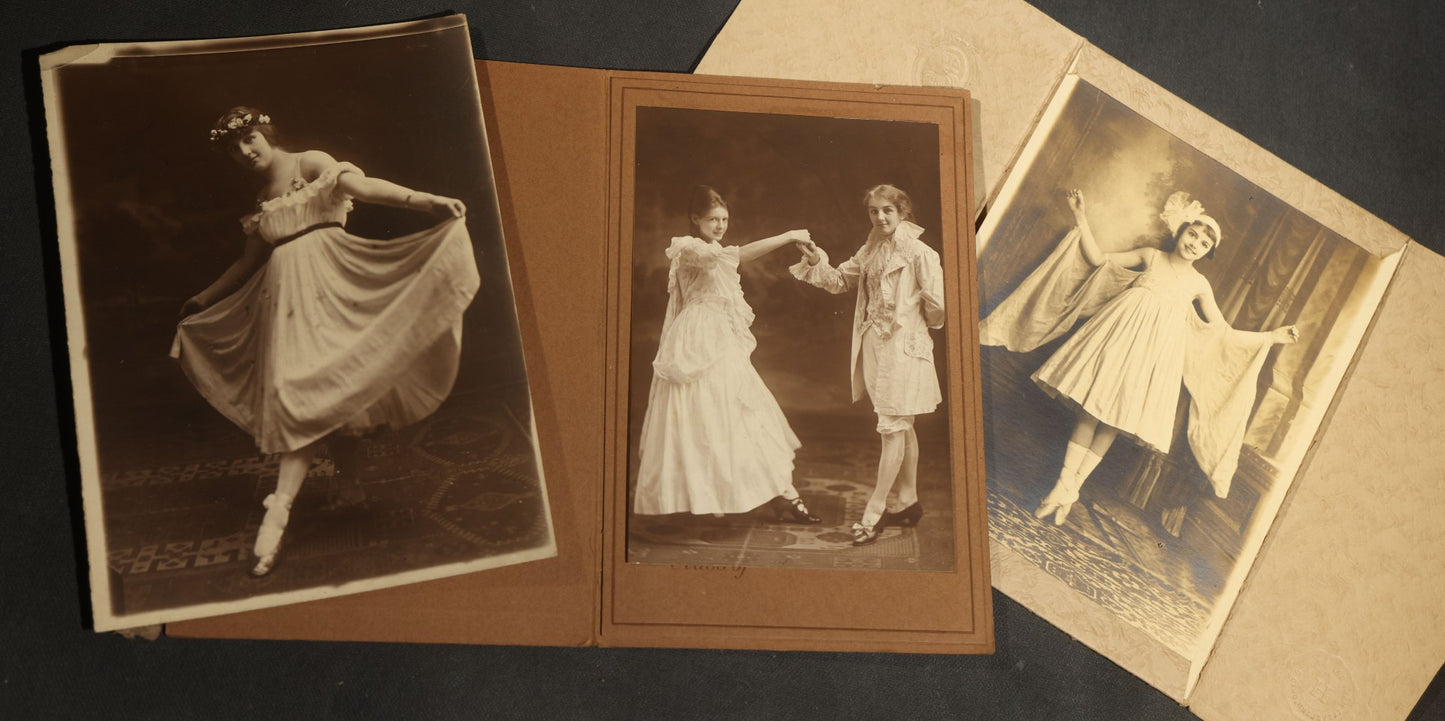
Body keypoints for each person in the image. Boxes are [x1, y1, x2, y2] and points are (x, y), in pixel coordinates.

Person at [172, 107, 478, 576]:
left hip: (333, 292)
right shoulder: (262, 199)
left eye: (249, 138)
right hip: (287, 308)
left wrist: (425, 200)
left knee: (318, 393)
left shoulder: (311, 163)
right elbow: (248, 262)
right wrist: (203, 298)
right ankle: (349, 489)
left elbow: (363, 187)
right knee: (318, 395)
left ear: (266, 132)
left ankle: (279, 512)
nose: (245, 151)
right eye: (233, 149)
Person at [980, 189, 1299, 525]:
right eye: (1192, 235)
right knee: (1092, 410)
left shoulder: (1199, 285)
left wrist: (1271, 337)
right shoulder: (1151, 256)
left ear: (1208, 253)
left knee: (1116, 421)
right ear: (1181, 231)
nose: (1195, 244)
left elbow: (1223, 332)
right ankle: (1064, 486)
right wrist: (1080, 216)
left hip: (1155, 356)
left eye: (1204, 244)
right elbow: (1098, 259)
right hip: (1118, 339)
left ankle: (1069, 489)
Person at [632, 186, 822, 524]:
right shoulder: (688, 248)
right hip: (696, 338)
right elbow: (740, 254)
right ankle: (712, 495)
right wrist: (788, 235)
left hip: (719, 337)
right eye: (712, 220)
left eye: (724, 219)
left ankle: (782, 494)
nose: (720, 225)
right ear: (695, 219)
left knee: (742, 411)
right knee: (704, 415)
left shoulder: (715, 250)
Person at [792, 185, 945, 545]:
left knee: (893, 427)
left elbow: (938, 310)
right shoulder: (871, 249)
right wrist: (815, 261)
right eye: (874, 211)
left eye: (888, 210)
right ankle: (908, 500)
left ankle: (874, 512)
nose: (880, 217)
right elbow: (838, 281)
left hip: (904, 352)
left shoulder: (921, 253)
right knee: (902, 425)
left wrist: (908, 323)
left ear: (903, 212)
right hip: (874, 348)